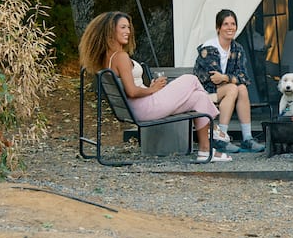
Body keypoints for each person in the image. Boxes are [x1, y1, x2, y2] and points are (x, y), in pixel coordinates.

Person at [79, 11, 230, 163]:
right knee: (191, 79)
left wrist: (149, 88)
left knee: (198, 98)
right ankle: (213, 127)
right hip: (143, 108)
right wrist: (153, 89)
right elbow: (132, 91)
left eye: (128, 27)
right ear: (110, 30)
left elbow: (131, 87)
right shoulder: (120, 57)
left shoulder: (108, 57)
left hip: (140, 107)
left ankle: (205, 150)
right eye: (123, 27)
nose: (128, 31)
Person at [194, 9, 265, 153]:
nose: (230, 27)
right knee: (233, 88)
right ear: (218, 28)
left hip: (223, 90)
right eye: (226, 24)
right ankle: (221, 138)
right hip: (204, 92)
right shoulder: (209, 48)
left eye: (233, 24)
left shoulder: (237, 48)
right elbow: (214, 79)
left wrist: (225, 78)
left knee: (242, 88)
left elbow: (244, 77)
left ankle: (247, 138)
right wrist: (230, 79)